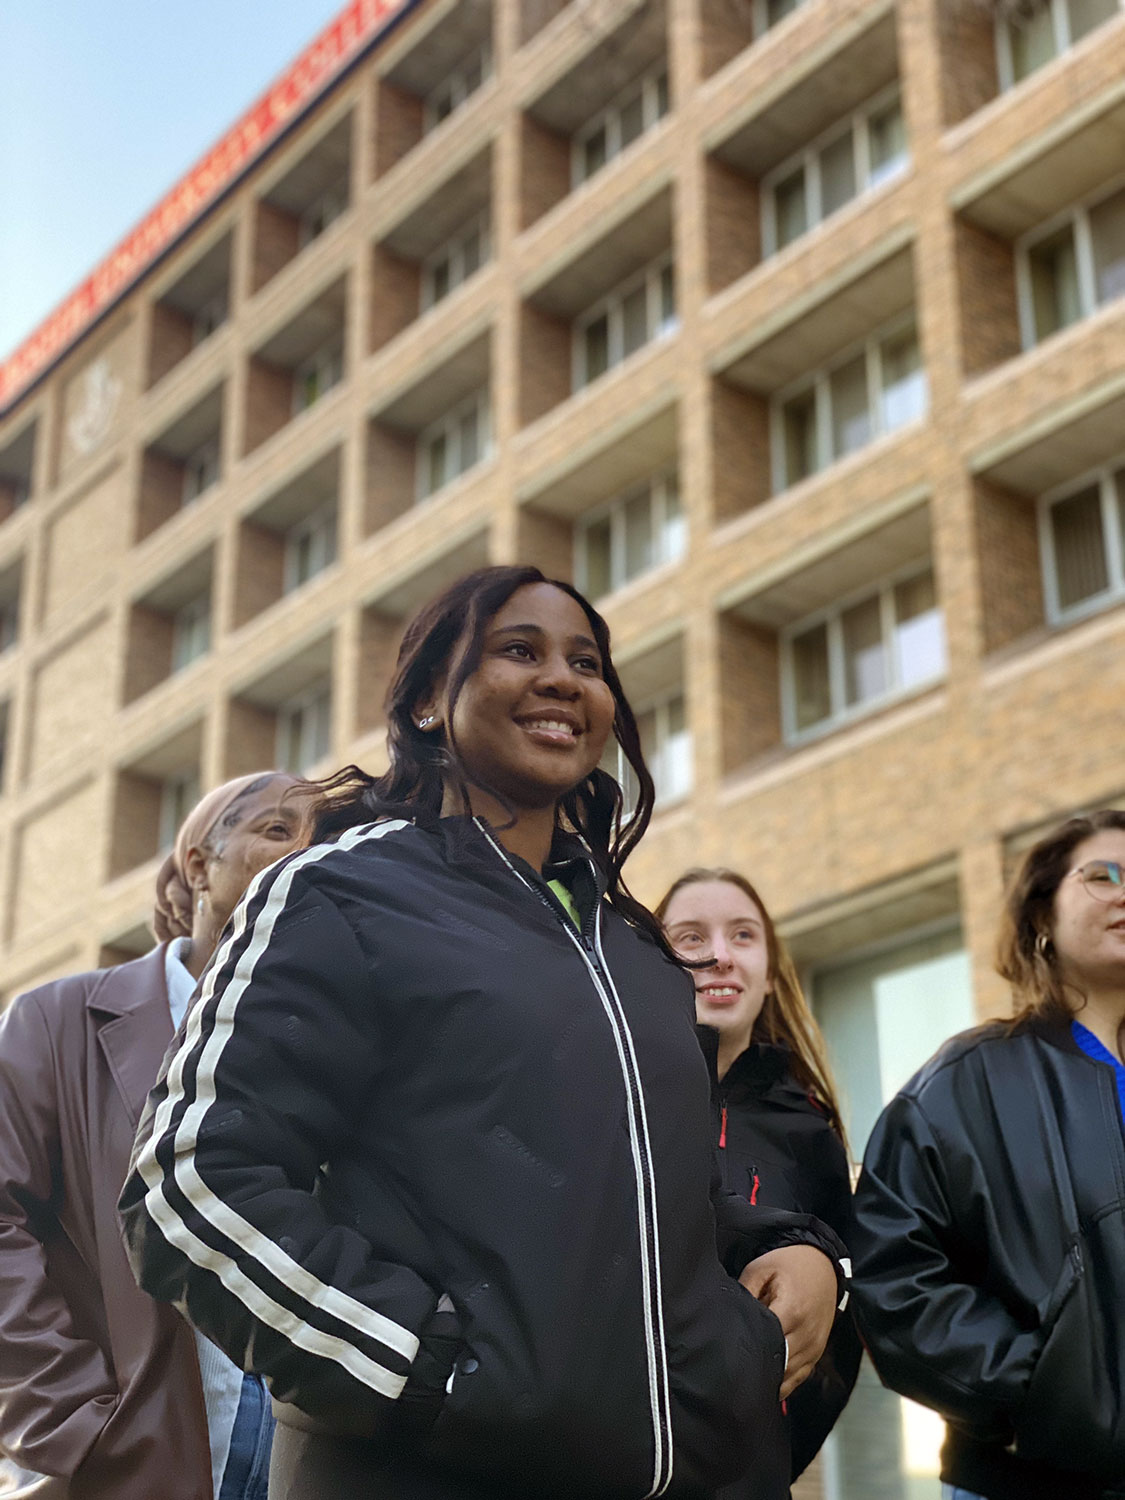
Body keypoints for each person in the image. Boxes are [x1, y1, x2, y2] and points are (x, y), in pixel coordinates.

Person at [119, 565, 848, 1500]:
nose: (562, 678)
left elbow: (653, 1179)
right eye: (519, 650)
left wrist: (786, 1246)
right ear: (428, 700)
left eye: (587, 662)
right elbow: (187, 1186)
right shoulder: (337, 892)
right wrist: (430, 1376)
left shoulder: (634, 945)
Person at [0, 772, 307, 1500]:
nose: (308, 854)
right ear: (199, 864)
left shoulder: (353, 1047)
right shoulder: (56, 1022)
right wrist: (76, 1424)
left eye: (326, 841)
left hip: (318, 1464)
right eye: (277, 830)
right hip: (132, 1460)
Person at [850, 809, 1125, 1500]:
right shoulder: (960, 1086)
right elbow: (897, 1282)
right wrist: (1045, 1399)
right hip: (1022, 1479)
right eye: (1102, 875)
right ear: (1040, 914)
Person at [656, 870, 861, 1490]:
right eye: (691, 938)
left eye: (743, 935)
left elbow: (845, 1332)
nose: (719, 955)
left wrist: (765, 1457)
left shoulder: (810, 1131)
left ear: (769, 971)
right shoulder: (603, 1100)